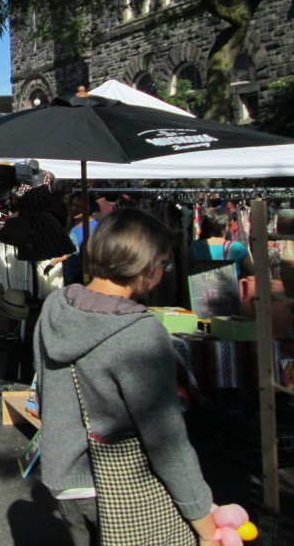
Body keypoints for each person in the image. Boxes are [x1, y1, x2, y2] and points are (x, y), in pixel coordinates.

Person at [34, 208, 218, 546]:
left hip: (62, 477)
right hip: (116, 485)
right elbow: (168, 442)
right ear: (144, 265)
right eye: (164, 263)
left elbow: (46, 391)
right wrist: (204, 524)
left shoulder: (56, 306)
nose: (164, 271)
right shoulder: (140, 334)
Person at [189, 206, 253, 278]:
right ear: (230, 224)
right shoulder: (236, 248)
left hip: (201, 287)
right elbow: (251, 273)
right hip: (229, 288)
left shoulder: (193, 247)